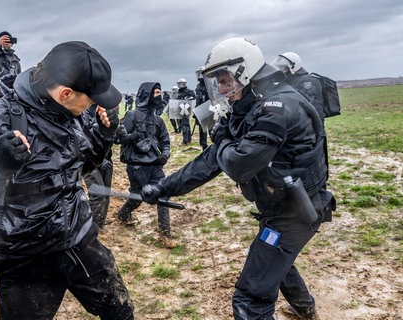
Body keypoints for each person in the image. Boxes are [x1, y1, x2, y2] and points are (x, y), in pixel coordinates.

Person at [140, 38, 335, 320]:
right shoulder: (252, 104)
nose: (220, 90)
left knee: (250, 299)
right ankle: (305, 307)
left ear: (244, 72)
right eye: (217, 83)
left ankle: (298, 306)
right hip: (281, 208)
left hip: (294, 213)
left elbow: (237, 164)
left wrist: (222, 139)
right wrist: (163, 188)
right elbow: (210, 161)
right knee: (271, 258)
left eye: (224, 81)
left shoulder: (277, 108)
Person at [0, 40, 134, 319]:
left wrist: (104, 136)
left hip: (80, 239)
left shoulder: (71, 114)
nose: (93, 104)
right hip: (24, 259)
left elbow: (77, 168)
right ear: (66, 93)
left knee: (121, 313)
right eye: (91, 98)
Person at [114, 82, 174, 248]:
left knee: (163, 195)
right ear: (146, 94)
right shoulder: (131, 115)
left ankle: (165, 234)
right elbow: (118, 139)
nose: (159, 95)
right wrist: (131, 137)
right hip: (136, 166)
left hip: (155, 165)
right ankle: (123, 214)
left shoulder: (158, 121)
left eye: (160, 92)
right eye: (156, 92)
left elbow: (165, 141)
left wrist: (165, 155)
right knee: (139, 197)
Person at [83, 103, 115, 229]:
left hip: (107, 158)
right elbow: (82, 142)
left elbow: (113, 137)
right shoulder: (82, 113)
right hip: (90, 163)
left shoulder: (107, 111)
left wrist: (119, 132)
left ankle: (100, 223)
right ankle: (91, 227)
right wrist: (100, 161)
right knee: (97, 195)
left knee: (106, 194)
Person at [270, 52, 325, 122]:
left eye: (283, 68)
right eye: (280, 67)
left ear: (293, 66)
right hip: (298, 121)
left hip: (312, 122)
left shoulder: (307, 81)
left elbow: (305, 101)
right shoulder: (288, 80)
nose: (281, 70)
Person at [175, 78, 196, 145]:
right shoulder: (179, 92)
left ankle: (185, 141)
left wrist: (186, 99)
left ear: (184, 84)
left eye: (180, 84)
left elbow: (193, 98)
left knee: (184, 125)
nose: (179, 85)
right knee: (185, 125)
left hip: (185, 110)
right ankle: (188, 139)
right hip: (180, 110)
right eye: (178, 84)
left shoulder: (188, 91)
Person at [194, 66, 209, 150]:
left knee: (211, 129)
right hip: (201, 110)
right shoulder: (198, 86)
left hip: (209, 109)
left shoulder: (209, 84)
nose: (200, 75)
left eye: (201, 73)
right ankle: (204, 146)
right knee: (202, 129)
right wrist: (195, 113)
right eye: (198, 73)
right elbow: (197, 100)